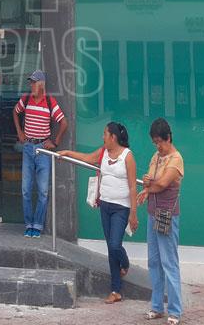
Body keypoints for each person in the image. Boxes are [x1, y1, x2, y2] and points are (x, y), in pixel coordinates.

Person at [59, 122, 138, 303]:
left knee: (115, 245)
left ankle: (125, 262)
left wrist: (133, 213)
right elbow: (87, 158)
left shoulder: (127, 156)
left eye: (105, 134)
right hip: (105, 205)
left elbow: (133, 186)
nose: (103, 137)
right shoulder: (103, 152)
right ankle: (115, 290)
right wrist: (67, 153)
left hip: (121, 208)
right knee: (111, 247)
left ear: (113, 137)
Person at [138, 118, 184, 325]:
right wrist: (148, 186)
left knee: (169, 262)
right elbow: (148, 180)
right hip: (152, 213)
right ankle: (157, 306)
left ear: (168, 138)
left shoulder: (176, 159)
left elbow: (162, 183)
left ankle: (174, 310)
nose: (158, 146)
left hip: (167, 214)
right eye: (155, 142)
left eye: (160, 142)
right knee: (154, 261)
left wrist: (149, 185)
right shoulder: (156, 157)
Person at [12, 69, 68, 238]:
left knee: (43, 191)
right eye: (31, 82)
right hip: (28, 147)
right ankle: (28, 224)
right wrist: (20, 132)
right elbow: (15, 112)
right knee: (26, 189)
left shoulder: (50, 102)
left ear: (42, 84)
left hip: (43, 149)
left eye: (34, 82)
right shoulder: (26, 99)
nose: (31, 85)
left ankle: (37, 225)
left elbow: (64, 123)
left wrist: (55, 142)